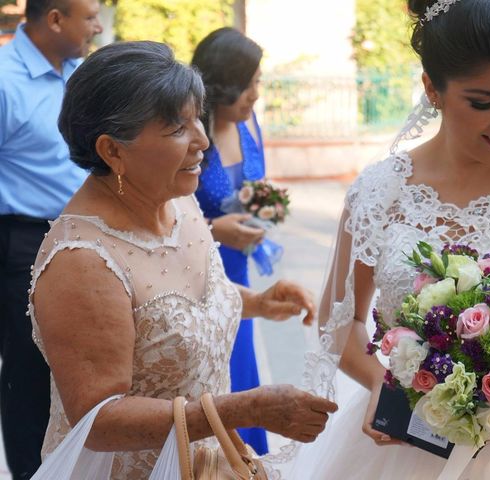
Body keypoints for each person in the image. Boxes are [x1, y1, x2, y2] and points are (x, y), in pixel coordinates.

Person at [265, 1, 490, 478]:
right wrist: (383, 383)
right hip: (411, 444)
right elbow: (341, 323)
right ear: (431, 89)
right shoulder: (381, 192)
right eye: (483, 102)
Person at [28, 40, 337, 479]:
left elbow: (172, 307)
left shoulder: (177, 201)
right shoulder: (82, 261)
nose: (203, 141)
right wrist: (245, 408)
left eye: (198, 119)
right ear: (112, 151)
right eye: (177, 129)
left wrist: (257, 302)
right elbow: (97, 420)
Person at [0, 0, 102, 477]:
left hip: (91, 237)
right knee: (31, 374)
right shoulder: (3, 78)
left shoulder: (82, 75)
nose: (99, 25)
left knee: (85, 371)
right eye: (90, 16)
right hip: (24, 241)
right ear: (56, 19)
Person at [191, 27, 274, 454]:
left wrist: (264, 210)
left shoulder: (250, 124)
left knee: (243, 369)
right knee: (213, 377)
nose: (256, 94)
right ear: (221, 82)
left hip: (239, 266)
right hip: (196, 274)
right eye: (248, 83)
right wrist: (211, 229)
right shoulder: (188, 129)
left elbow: (257, 185)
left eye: (258, 81)